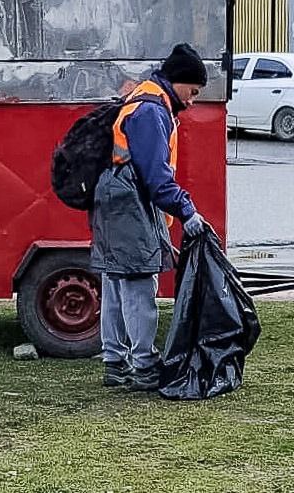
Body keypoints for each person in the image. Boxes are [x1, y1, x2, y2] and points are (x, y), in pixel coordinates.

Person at [90, 42, 209, 392]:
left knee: (114, 284)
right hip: (130, 204)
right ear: (178, 81)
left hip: (112, 199)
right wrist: (188, 212)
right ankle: (144, 366)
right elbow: (157, 179)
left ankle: (115, 363)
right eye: (193, 91)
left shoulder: (140, 98)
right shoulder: (152, 111)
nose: (192, 100)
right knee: (139, 284)